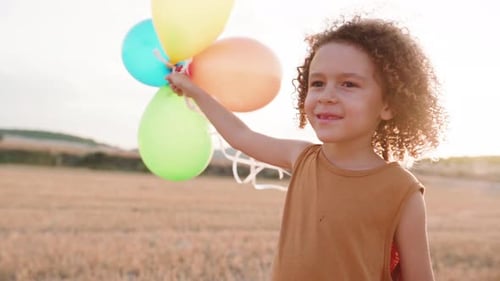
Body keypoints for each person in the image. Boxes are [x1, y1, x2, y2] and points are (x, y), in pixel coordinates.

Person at [167, 16, 446, 281]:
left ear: (388, 105)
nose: (327, 96)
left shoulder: (401, 190)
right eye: (318, 83)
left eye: (348, 84)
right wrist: (195, 91)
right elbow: (241, 135)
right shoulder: (301, 158)